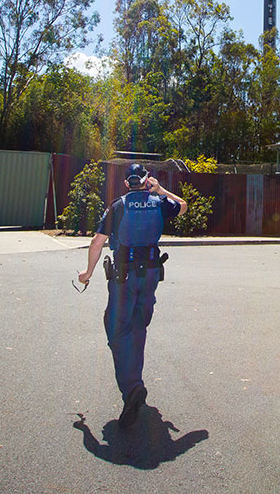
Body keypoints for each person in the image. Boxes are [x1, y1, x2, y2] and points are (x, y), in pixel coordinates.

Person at [77, 163, 186, 428]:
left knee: (116, 329)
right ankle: (135, 382)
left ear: (127, 183)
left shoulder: (119, 205)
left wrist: (88, 272)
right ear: (146, 179)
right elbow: (182, 205)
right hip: (150, 275)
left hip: (124, 277)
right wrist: (161, 190)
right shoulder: (159, 202)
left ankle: (132, 388)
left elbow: (97, 241)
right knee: (138, 328)